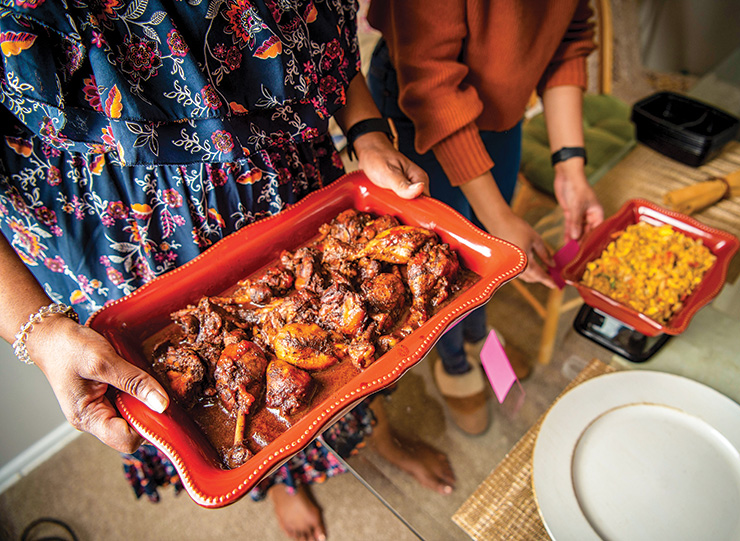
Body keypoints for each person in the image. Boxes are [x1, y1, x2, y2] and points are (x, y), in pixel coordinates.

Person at [0, 2, 453, 540]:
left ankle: (373, 438)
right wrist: (39, 329)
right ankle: (287, 484)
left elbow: (320, 36)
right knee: (215, 400)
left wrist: (369, 133)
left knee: (355, 360)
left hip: (293, 190)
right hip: (127, 242)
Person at [365, 0, 605, 434]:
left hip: (502, 115)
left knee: (489, 252)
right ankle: (454, 360)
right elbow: (432, 81)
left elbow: (567, 36)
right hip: (421, 102)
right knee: (443, 263)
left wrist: (570, 166)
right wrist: (499, 220)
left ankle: (479, 339)